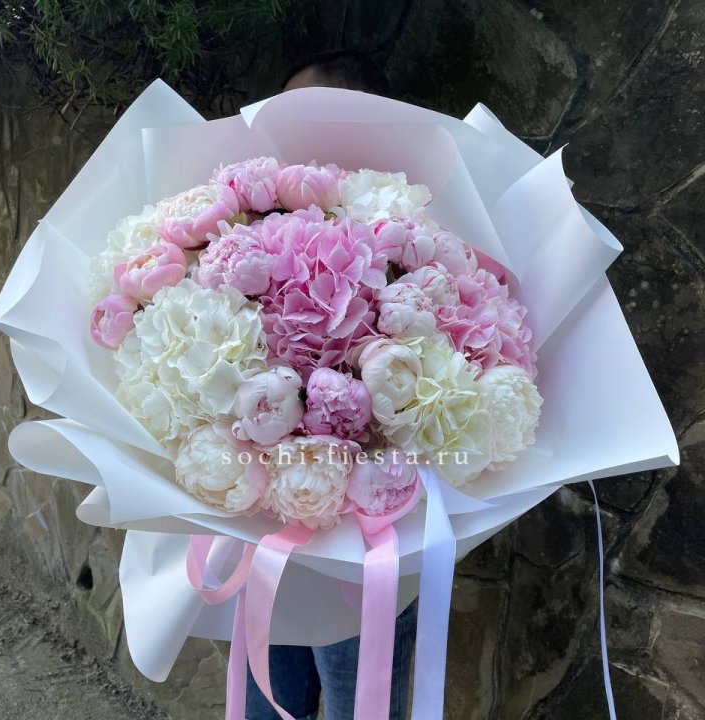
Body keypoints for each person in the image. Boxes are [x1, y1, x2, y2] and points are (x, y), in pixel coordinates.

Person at [244, 51, 416, 720]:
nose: (284, 132)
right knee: (265, 701)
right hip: (269, 534)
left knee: (358, 705)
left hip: (365, 548)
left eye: (303, 113)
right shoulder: (254, 228)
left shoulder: (406, 229)